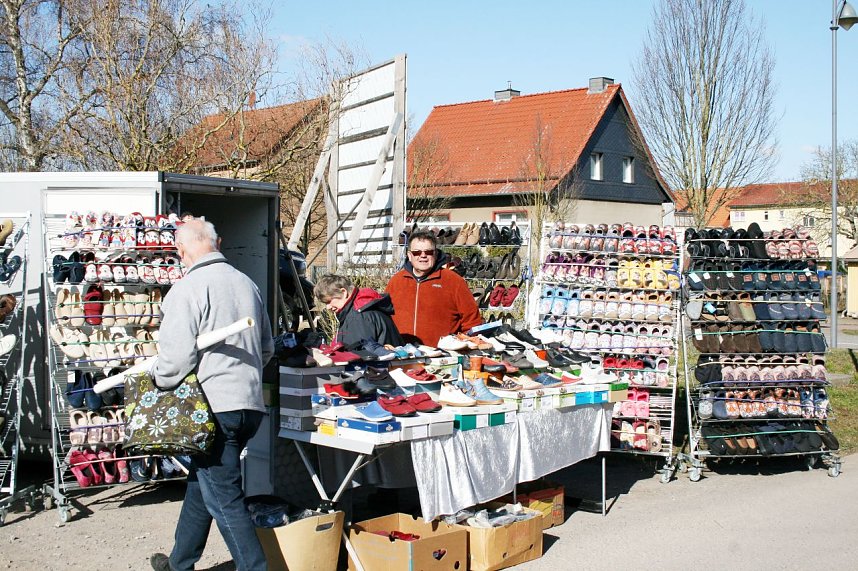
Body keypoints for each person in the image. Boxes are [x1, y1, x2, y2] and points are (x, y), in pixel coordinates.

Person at [149, 219, 274, 571]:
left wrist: (158, 379)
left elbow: (175, 359)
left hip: (212, 409)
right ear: (218, 242)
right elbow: (266, 348)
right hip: (248, 403)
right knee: (204, 486)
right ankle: (179, 564)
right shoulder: (246, 284)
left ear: (181, 250)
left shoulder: (187, 289)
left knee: (225, 499)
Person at [386, 229, 482, 346]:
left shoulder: (454, 281)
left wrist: (465, 347)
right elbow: (385, 318)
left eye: (428, 252)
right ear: (409, 256)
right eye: (417, 252)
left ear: (435, 254)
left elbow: (472, 321)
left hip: (442, 358)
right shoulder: (396, 281)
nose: (423, 256)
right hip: (402, 355)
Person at [314, 274, 404, 347]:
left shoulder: (359, 316)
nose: (328, 307)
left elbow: (355, 355)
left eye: (329, 301)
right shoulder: (366, 307)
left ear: (343, 292)